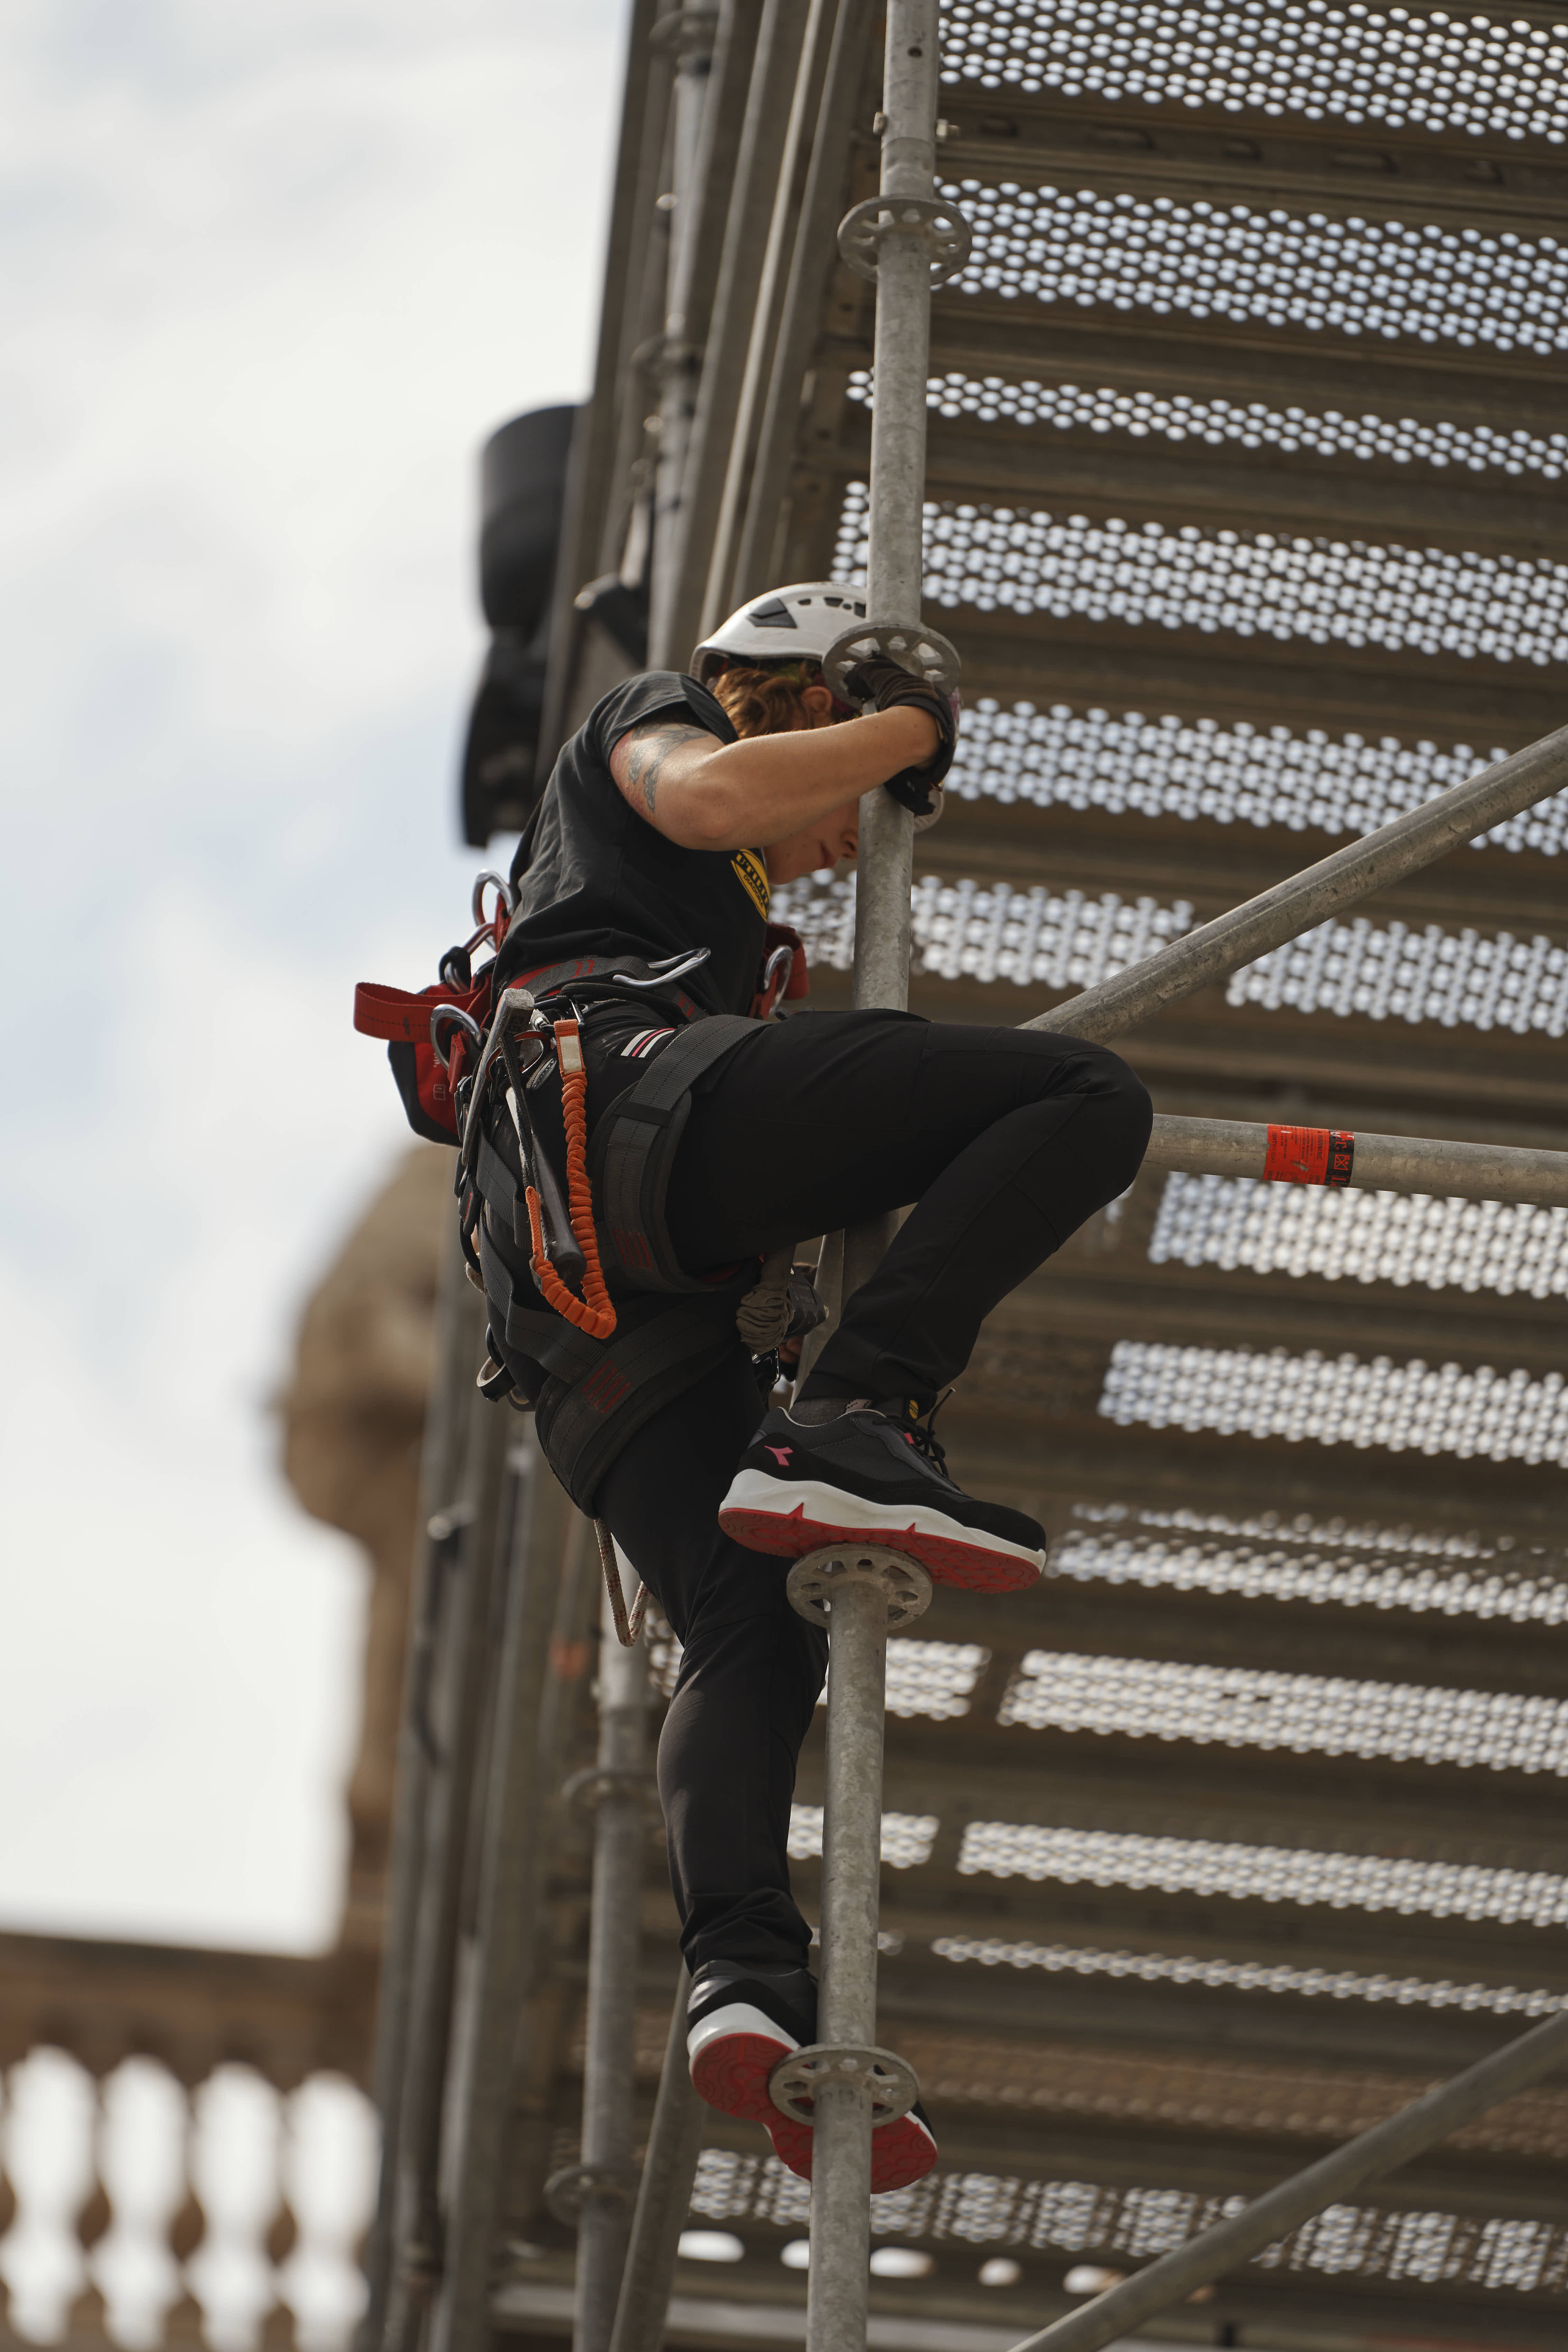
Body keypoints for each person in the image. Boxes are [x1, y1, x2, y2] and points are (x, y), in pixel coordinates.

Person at [472, 582, 1152, 2193]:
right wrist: (910, 725)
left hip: (576, 1297)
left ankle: (742, 1973)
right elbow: (711, 799)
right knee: (1081, 1098)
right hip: (619, 1107)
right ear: (789, 691)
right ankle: (864, 1408)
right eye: (847, 778)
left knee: (749, 1624)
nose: (852, 833)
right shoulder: (654, 720)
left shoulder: (704, 929)